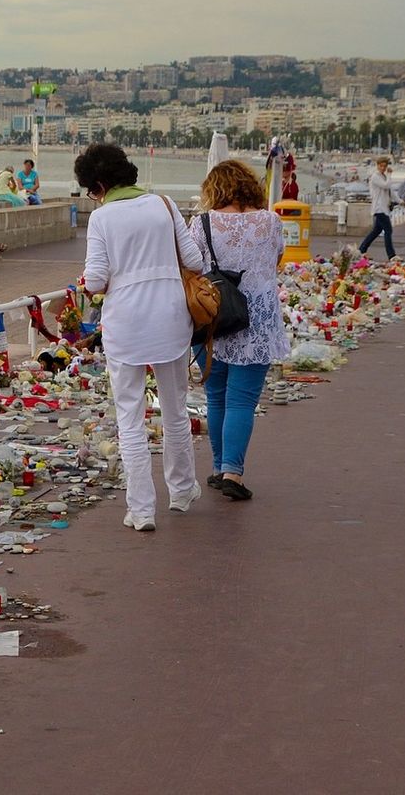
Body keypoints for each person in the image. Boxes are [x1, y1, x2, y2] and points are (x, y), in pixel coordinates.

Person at [75, 143, 205, 531]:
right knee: (175, 408)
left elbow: (96, 279)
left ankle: (142, 509)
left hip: (127, 323)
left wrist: (88, 286)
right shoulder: (163, 205)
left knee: (130, 417)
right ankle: (181, 491)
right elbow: (195, 262)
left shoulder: (102, 218)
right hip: (170, 318)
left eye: (90, 190)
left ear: (99, 184)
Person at [190, 160, 289, 502]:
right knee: (242, 400)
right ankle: (233, 471)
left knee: (216, 396)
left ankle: (219, 468)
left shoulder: (201, 224)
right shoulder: (271, 222)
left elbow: (190, 266)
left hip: (211, 318)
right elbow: (277, 259)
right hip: (257, 320)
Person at [358, 157, 398, 260]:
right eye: (381, 166)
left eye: (385, 166)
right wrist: (389, 175)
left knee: (376, 231)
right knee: (388, 231)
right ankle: (391, 255)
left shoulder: (384, 176)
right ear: (377, 165)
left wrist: (400, 201)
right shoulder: (375, 177)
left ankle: (361, 250)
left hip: (384, 208)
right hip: (379, 208)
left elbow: (390, 191)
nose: (383, 168)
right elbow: (385, 186)